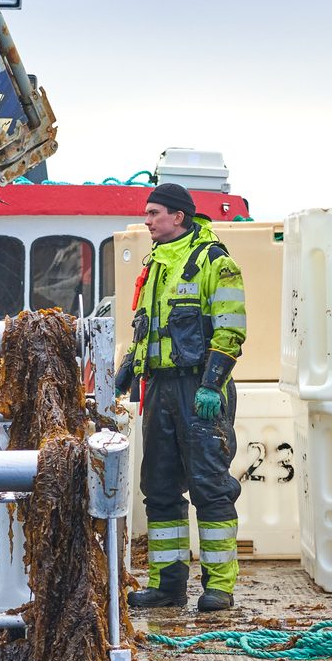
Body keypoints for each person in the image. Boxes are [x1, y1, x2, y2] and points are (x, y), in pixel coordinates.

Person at [116, 182, 247, 612]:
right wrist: (125, 375)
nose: (148, 219)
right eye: (147, 213)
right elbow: (148, 329)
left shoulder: (215, 263)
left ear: (179, 216)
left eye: (155, 212)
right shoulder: (155, 264)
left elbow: (231, 329)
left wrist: (212, 384)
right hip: (159, 391)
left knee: (210, 487)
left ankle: (219, 588)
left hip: (199, 390)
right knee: (159, 487)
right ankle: (167, 584)